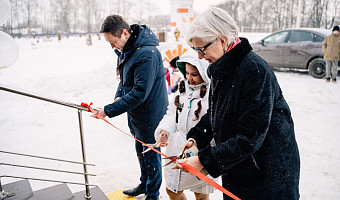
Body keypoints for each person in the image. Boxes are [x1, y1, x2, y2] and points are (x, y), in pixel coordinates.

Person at [174, 7, 300, 200]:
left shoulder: (254, 71)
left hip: (267, 174)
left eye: (202, 49)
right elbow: (218, 113)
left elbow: (250, 138)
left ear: (222, 40)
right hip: (241, 169)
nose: (199, 56)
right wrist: (197, 137)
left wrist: (203, 160)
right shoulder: (221, 68)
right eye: (195, 50)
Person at [95, 15, 169, 200]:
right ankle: (144, 184)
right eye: (109, 43)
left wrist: (108, 110)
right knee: (141, 151)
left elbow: (139, 92)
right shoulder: (127, 50)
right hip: (137, 114)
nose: (112, 46)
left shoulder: (146, 53)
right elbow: (125, 80)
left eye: (113, 41)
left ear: (125, 33)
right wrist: (117, 98)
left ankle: (153, 195)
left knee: (151, 156)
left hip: (150, 114)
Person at [155, 49, 215, 200]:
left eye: (194, 74)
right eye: (187, 73)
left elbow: (213, 122)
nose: (189, 78)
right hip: (177, 147)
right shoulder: (182, 90)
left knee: (201, 194)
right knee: (172, 190)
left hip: (199, 150)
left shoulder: (212, 94)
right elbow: (171, 114)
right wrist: (165, 131)